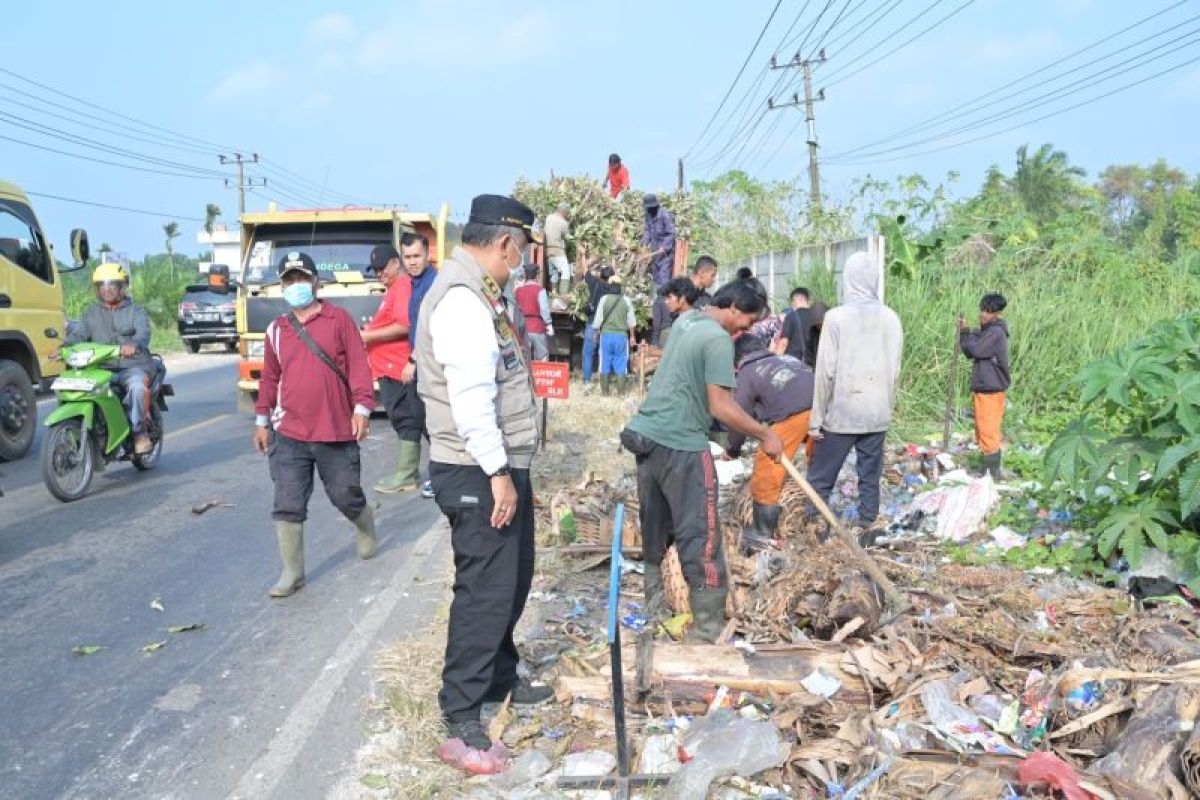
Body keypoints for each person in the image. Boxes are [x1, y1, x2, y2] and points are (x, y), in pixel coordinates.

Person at [416, 194, 551, 768]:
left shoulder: (480, 291)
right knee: (484, 590)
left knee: (513, 576)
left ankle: (500, 676)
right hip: (476, 466)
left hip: (495, 462)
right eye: (517, 254)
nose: (517, 264)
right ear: (502, 243)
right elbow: (472, 401)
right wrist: (499, 474)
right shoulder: (463, 300)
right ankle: (462, 712)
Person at [621, 279, 785, 642]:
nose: (747, 330)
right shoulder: (717, 339)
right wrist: (765, 434)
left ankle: (655, 608)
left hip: (648, 436)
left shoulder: (687, 321)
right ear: (734, 309)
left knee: (656, 524)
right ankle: (707, 632)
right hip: (680, 443)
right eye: (747, 321)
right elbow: (721, 406)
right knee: (702, 535)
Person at [252, 252, 377, 598]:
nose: (296, 287)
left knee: (344, 495)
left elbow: (358, 367)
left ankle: (364, 519)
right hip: (289, 431)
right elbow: (269, 379)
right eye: (289, 280)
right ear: (282, 286)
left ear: (316, 282)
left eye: (301, 279)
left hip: (335, 428)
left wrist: (363, 409)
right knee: (287, 501)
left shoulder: (339, 320)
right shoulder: (276, 330)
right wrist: (262, 420)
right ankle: (292, 573)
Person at [807, 251, 903, 531]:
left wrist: (816, 420)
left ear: (848, 280)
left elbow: (825, 371)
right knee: (869, 475)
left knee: (822, 477)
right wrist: (888, 407)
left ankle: (815, 528)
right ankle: (867, 523)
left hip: (843, 412)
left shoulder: (836, 318)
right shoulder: (892, 318)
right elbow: (894, 370)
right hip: (877, 412)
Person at [726, 335, 814, 552]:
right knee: (817, 466)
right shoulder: (787, 359)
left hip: (796, 413)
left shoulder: (748, 371)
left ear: (739, 358)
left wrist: (733, 449)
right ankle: (816, 521)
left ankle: (762, 532)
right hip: (824, 409)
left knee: (767, 464)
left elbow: (739, 416)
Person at [59, 263, 156, 454]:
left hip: (132, 366)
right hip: (101, 368)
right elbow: (79, 335)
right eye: (102, 286)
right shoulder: (91, 313)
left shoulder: (136, 311)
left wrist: (134, 344)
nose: (106, 290)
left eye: (112, 285)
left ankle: (139, 431)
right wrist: (63, 347)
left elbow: (143, 333)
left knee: (137, 387)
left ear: (121, 287)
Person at [361, 244, 419, 494]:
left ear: (397, 263)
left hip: (398, 369)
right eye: (375, 270)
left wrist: (368, 336)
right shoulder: (393, 289)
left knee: (408, 420)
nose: (379, 273)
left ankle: (408, 474)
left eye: (383, 268)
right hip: (390, 368)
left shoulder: (403, 287)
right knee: (407, 420)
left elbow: (405, 325)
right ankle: (408, 472)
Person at [399, 232, 438, 499]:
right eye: (408, 256)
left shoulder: (432, 285)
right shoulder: (414, 283)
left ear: (427, 255)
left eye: (417, 256)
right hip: (423, 362)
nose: (412, 261)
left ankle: (442, 478)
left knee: (435, 423)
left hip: (431, 364)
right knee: (427, 421)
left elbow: (430, 329)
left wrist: (413, 359)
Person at [959, 293, 1010, 480]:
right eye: (982, 310)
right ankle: (988, 471)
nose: (982, 314)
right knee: (982, 430)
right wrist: (965, 332)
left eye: (987, 312)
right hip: (983, 388)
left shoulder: (996, 332)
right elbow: (969, 351)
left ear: (996, 313)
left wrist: (970, 335)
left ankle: (992, 474)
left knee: (988, 430)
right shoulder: (987, 331)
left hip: (992, 388)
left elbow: (977, 349)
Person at [592, 274, 636, 396]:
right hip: (621, 337)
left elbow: (598, 320)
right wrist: (632, 337)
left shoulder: (604, 299)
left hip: (606, 336)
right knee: (621, 365)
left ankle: (605, 393)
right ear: (620, 287)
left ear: (609, 286)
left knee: (604, 364)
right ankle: (621, 394)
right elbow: (631, 321)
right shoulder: (626, 300)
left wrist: (595, 334)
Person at [581, 263, 614, 388]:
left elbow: (586, 272)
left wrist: (588, 261)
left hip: (593, 323)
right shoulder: (613, 290)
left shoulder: (595, 283)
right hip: (607, 326)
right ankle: (606, 381)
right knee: (606, 354)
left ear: (601, 275)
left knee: (588, 353)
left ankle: (587, 381)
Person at [515, 263, 554, 362]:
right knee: (542, 358)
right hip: (537, 328)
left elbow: (516, 310)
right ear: (537, 275)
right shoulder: (540, 290)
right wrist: (548, 324)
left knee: (524, 359)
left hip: (522, 329)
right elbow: (544, 310)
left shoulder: (518, 290)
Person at [654, 276, 700, 350]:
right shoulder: (683, 319)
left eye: (670, 297)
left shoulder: (688, 324)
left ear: (682, 299)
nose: (666, 302)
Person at [641, 194, 677, 287]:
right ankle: (657, 299)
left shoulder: (664, 214)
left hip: (666, 254)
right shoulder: (648, 215)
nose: (649, 209)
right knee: (656, 278)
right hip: (655, 252)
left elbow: (671, 232)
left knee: (663, 277)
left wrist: (664, 247)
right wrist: (644, 244)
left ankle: (664, 298)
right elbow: (647, 230)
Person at [774, 287, 811, 361]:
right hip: (813, 363)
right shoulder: (816, 317)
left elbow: (784, 343)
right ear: (807, 300)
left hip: (795, 362)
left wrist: (775, 361)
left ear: (793, 301)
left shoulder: (791, 317)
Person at [543, 203, 572, 295]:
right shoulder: (564, 223)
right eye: (567, 213)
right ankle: (563, 295)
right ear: (564, 212)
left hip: (547, 251)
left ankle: (553, 294)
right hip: (557, 251)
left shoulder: (549, 217)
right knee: (566, 271)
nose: (567, 215)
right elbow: (566, 237)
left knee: (554, 273)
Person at [805, 300, 828, 368]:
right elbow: (808, 355)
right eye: (817, 325)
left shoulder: (833, 330)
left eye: (821, 324)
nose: (820, 327)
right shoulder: (812, 333)